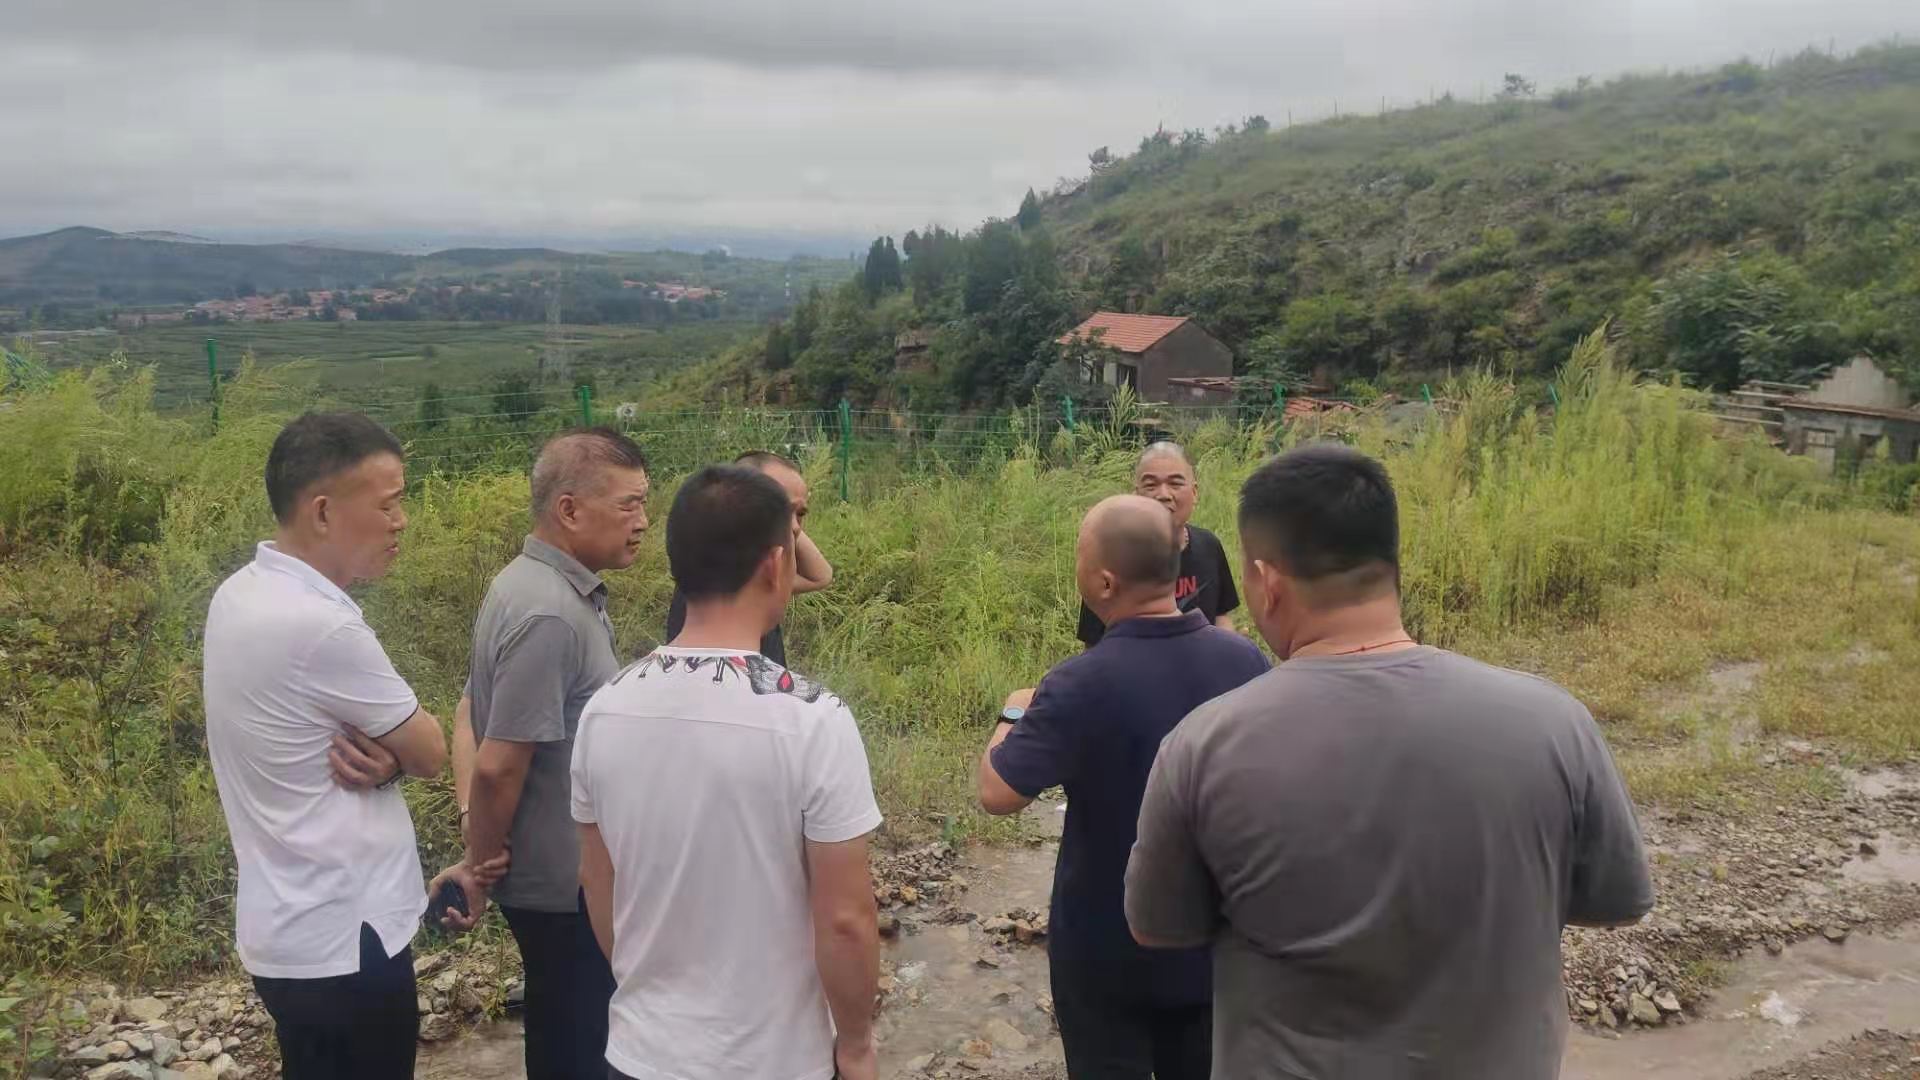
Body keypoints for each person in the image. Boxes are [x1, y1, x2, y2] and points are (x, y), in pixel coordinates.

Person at [1125, 445, 1655, 1078]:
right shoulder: (1555, 721)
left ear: (1267, 582)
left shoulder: (1203, 745)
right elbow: (1617, 901)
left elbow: (1160, 927)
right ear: (1391, 566)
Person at [573, 464, 882, 1080]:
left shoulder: (603, 710)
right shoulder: (814, 718)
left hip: (640, 1054)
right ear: (776, 565)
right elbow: (845, 920)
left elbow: (598, 885)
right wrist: (855, 1045)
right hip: (776, 1061)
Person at [978, 494, 1268, 1080]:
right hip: (1215, 943)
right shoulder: (1244, 663)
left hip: (1105, 949)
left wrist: (1012, 712)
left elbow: (998, 793)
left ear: (1104, 581)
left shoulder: (1078, 683)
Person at [203, 412, 450, 1080]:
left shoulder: (241, 593)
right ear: (322, 512)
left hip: (288, 929)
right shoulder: (321, 627)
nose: (401, 522)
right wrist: (399, 757)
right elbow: (432, 751)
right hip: (349, 935)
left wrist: (388, 759)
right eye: (388, 504)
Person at [432, 428, 651, 1080]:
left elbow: (470, 711)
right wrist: (479, 860)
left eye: (645, 504)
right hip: (565, 886)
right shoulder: (549, 612)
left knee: (563, 1028)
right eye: (629, 504)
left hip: (562, 881)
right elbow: (499, 762)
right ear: (569, 510)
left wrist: (474, 829)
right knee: (580, 1043)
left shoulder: (528, 585)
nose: (643, 522)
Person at [664, 450, 832, 665]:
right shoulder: (710, 571)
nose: (795, 526)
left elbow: (820, 576)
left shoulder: (761, 570)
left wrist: (787, 525)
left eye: (799, 513)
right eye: (776, 507)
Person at [1077, 443, 1237, 648]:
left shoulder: (1209, 546)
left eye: (1175, 483)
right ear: (1136, 495)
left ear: (1194, 492)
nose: (1163, 494)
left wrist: (1229, 650)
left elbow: (1221, 615)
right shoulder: (1111, 556)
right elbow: (1094, 645)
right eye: (1151, 485)